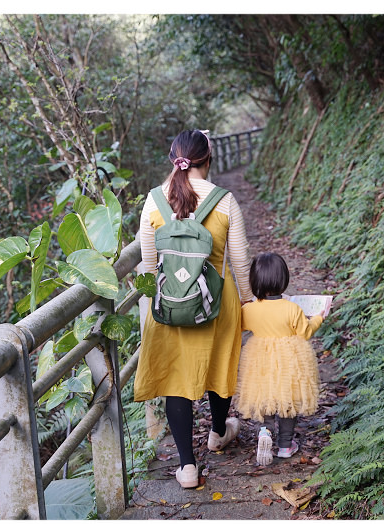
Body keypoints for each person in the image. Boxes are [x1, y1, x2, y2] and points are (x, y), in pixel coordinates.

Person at [133, 129, 252, 489]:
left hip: (170, 305)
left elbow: (148, 263)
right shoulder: (225, 200)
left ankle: (187, 467)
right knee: (220, 365)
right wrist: (247, 300)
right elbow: (241, 260)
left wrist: (172, 290)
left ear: (174, 159)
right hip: (216, 301)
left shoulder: (154, 201)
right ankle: (218, 432)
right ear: (208, 160)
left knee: (175, 380)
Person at [234, 252, 323, 466]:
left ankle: (264, 433)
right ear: (283, 279)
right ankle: (285, 446)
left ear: (254, 281)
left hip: (259, 358)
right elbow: (305, 332)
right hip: (289, 360)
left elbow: (240, 326)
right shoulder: (292, 308)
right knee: (286, 402)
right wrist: (319, 317)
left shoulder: (249, 309)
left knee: (264, 399)